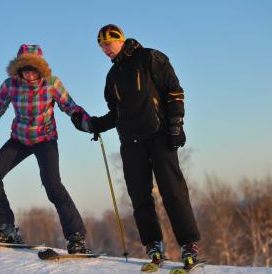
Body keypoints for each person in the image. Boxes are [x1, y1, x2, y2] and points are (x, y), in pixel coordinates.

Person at [74, 24, 201, 266]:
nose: (104, 51)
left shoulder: (150, 58)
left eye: (107, 45)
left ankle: (188, 244)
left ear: (120, 40)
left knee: (173, 191)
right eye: (101, 47)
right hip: (131, 142)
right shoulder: (112, 77)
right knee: (139, 196)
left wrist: (176, 124)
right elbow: (116, 113)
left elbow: (174, 91)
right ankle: (153, 244)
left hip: (160, 135)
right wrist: (93, 125)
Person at [0, 44, 92, 254]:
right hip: (20, 139)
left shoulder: (52, 83)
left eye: (33, 70)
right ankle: (5, 227)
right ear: (18, 70)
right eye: (25, 70)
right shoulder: (10, 85)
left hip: (45, 139)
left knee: (52, 184)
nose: (29, 75)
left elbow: (71, 106)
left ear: (41, 70)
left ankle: (76, 237)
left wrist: (86, 123)